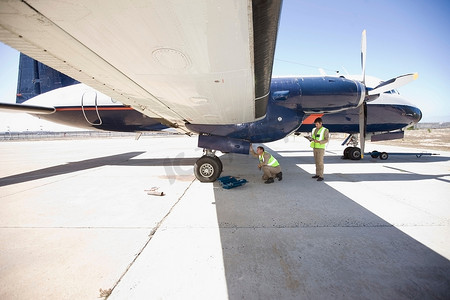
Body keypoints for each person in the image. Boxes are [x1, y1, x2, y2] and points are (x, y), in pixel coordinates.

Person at [307, 117, 329, 181]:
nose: (316, 125)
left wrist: (319, 142)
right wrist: (310, 139)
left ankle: (321, 176)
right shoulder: (314, 129)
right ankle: (317, 174)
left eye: (317, 124)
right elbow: (314, 137)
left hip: (320, 148)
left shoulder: (325, 130)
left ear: (321, 123)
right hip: (314, 147)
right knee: (316, 162)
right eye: (315, 124)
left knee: (320, 162)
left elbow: (326, 139)